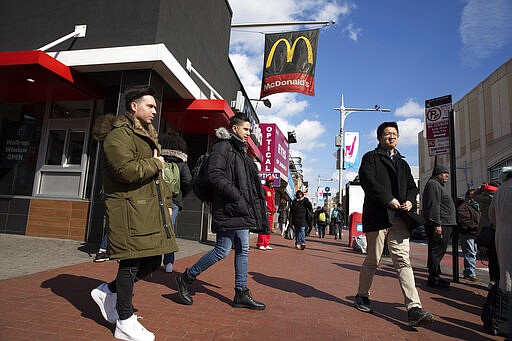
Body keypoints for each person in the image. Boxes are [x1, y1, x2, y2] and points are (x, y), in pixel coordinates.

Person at [90, 86, 178, 341]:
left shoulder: (145, 136)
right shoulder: (118, 136)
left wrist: (168, 200)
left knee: (152, 261)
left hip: (149, 209)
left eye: (155, 106)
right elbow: (125, 171)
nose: (154, 110)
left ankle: (108, 291)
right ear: (133, 106)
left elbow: (158, 179)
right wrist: (156, 162)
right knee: (130, 263)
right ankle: (124, 321)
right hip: (129, 210)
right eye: (149, 106)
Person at [175, 113, 268, 310]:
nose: (248, 134)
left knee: (243, 248)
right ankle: (186, 278)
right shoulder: (222, 147)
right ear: (235, 129)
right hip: (228, 207)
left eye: (249, 131)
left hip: (239, 209)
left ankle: (241, 292)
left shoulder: (240, 151)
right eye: (246, 130)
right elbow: (215, 175)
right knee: (222, 250)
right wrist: (236, 196)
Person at [355, 121, 434, 327]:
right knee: (373, 260)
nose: (392, 136)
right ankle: (362, 295)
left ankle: (414, 308)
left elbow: (411, 186)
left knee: (403, 261)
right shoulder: (370, 158)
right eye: (387, 134)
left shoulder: (402, 163)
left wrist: (409, 199)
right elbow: (368, 181)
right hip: (378, 216)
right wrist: (387, 199)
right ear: (379, 138)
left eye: (395, 134)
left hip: (399, 218)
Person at [160, 131, 193, 273]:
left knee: (153, 228)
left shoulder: (158, 158)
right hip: (174, 200)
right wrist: (180, 196)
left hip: (157, 198)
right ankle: (168, 262)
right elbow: (188, 181)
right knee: (169, 230)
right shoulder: (181, 162)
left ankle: (150, 259)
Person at [421, 164, 457, 289]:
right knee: (437, 251)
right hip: (440, 223)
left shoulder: (437, 185)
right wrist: (437, 224)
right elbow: (433, 205)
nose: (447, 175)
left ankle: (436, 276)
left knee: (437, 250)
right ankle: (434, 278)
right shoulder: (433, 185)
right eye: (444, 173)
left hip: (444, 223)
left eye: (447, 173)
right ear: (437, 174)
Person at [489, 166, 512, 296]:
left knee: (506, 274)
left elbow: (491, 214)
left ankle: (504, 305)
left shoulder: (501, 189)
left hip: (502, 234)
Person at [473, 182, 500, 286]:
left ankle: (492, 281)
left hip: (485, 230)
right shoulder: (497, 197)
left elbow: (474, 194)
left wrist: (481, 187)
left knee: (492, 258)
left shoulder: (482, 197)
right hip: (497, 228)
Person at [456, 189, 481, 282]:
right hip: (468, 233)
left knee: (472, 253)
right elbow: (464, 221)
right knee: (470, 253)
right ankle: (471, 273)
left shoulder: (474, 206)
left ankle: (468, 272)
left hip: (473, 233)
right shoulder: (464, 206)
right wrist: (476, 226)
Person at [256, 175, 276, 250]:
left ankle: (266, 243)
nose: (271, 183)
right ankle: (260, 243)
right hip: (266, 211)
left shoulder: (272, 190)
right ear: (267, 182)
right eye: (270, 181)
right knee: (263, 227)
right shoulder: (264, 188)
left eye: (272, 181)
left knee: (269, 228)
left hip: (271, 212)